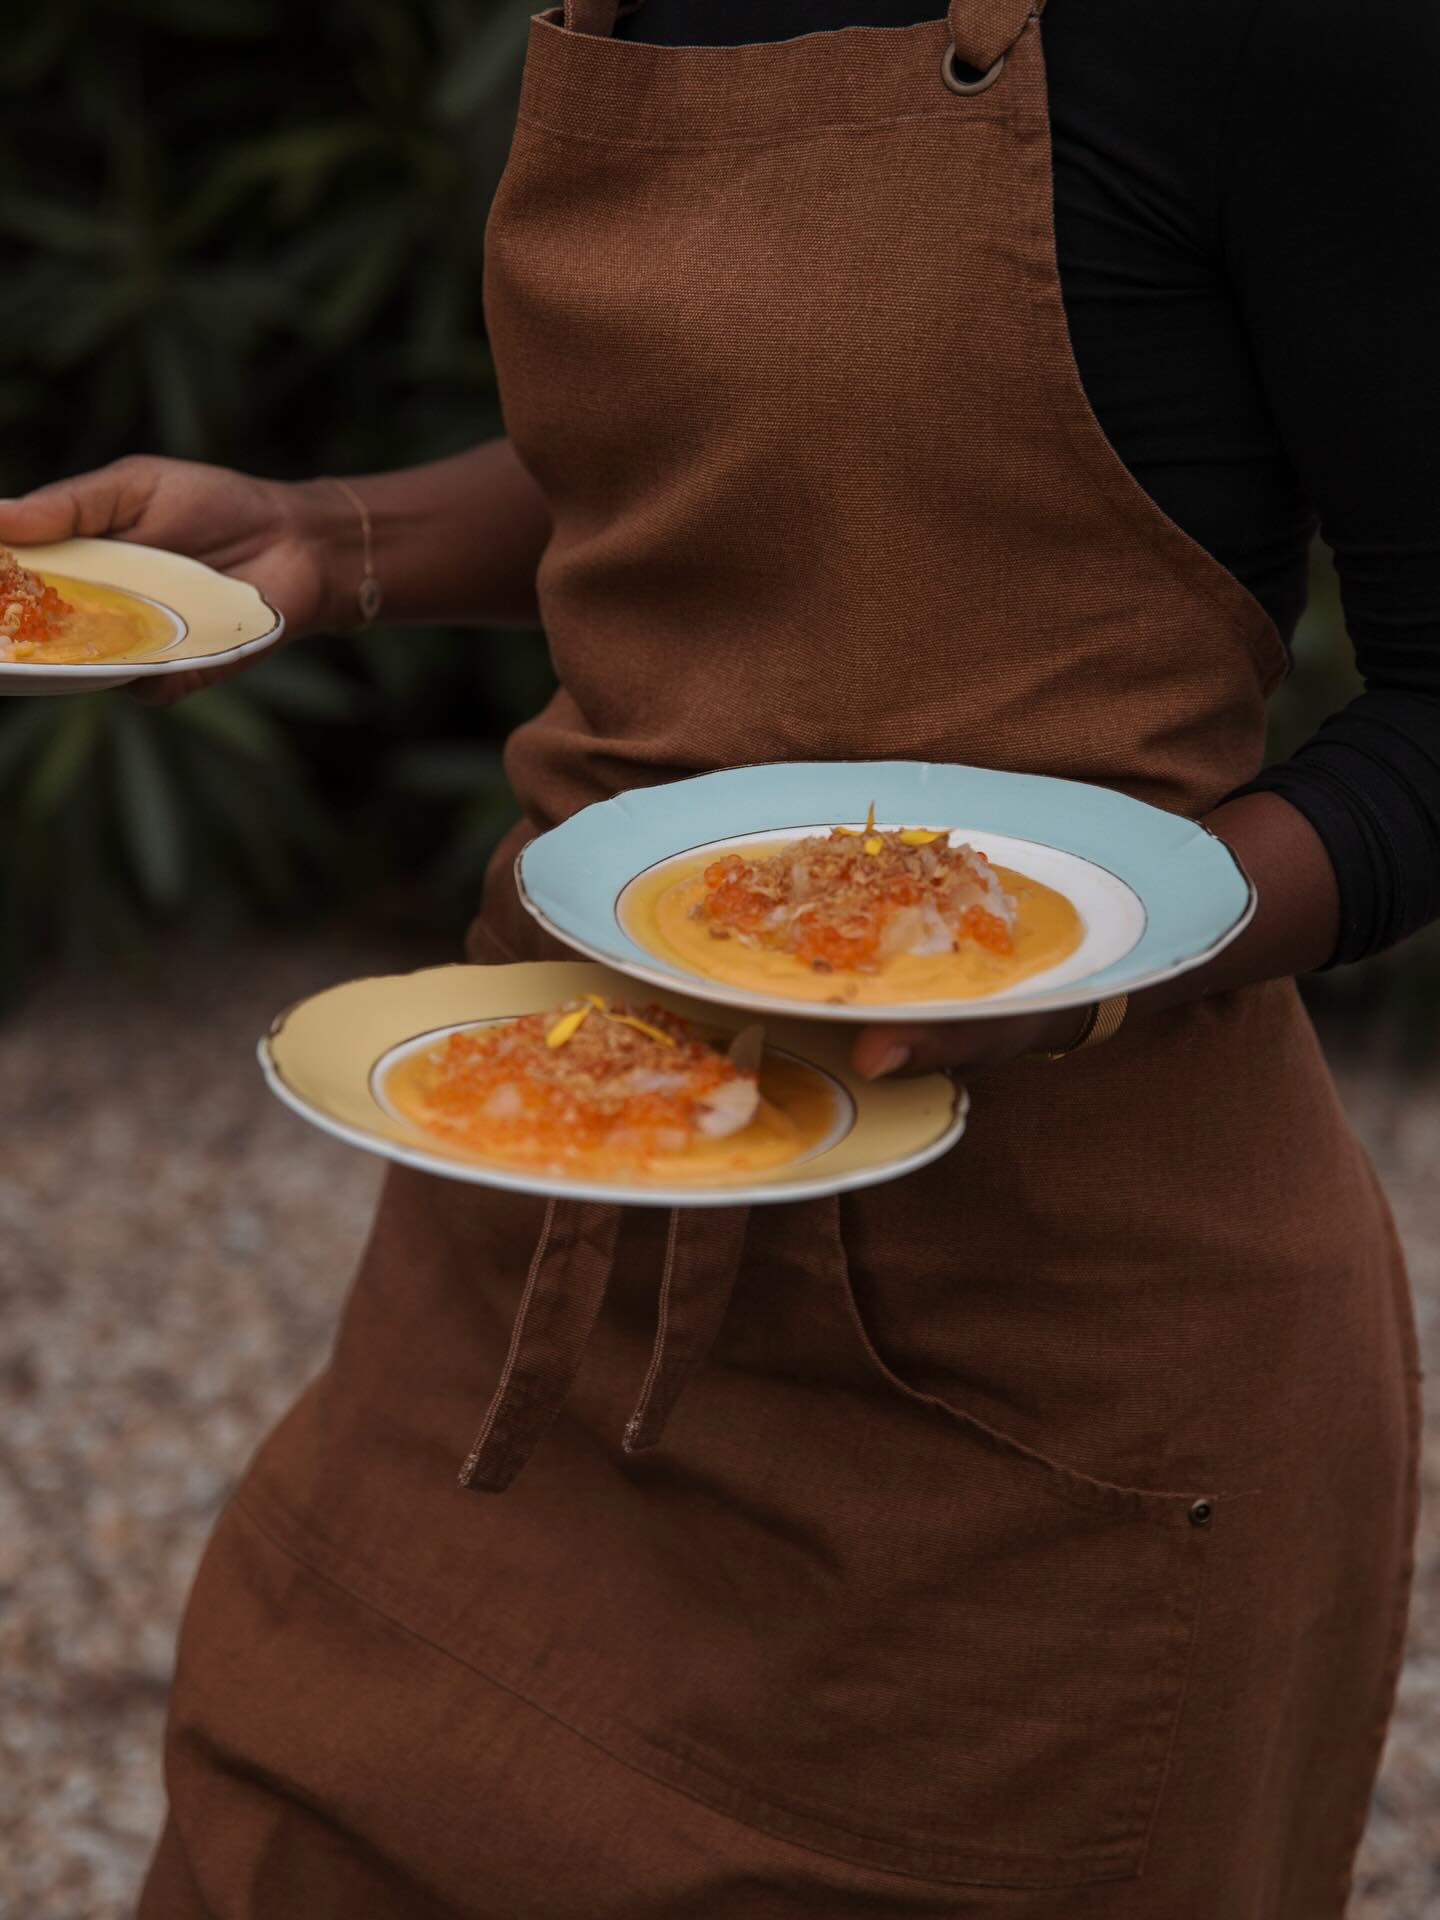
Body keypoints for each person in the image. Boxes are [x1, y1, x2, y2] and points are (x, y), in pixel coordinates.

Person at [4, 0, 1434, 1912]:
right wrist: (331, 534)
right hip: (544, 1229)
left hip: (1038, 1400)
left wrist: (1091, 956)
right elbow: (763, 444)